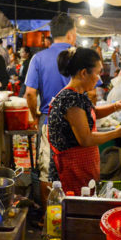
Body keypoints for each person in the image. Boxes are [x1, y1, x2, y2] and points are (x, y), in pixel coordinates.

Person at [47, 47, 121, 193]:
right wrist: (117, 133)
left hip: (80, 167)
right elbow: (85, 139)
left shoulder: (79, 95)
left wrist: (116, 106)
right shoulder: (70, 99)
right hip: (71, 170)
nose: (99, 78)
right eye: (98, 72)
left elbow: (92, 112)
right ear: (83, 73)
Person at [24, 13, 78, 203]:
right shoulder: (80, 56)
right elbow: (94, 94)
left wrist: (35, 115)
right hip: (77, 124)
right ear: (71, 34)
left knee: (47, 170)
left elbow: (30, 93)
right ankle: (71, 214)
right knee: (74, 169)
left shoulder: (38, 58)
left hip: (48, 122)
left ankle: (48, 218)